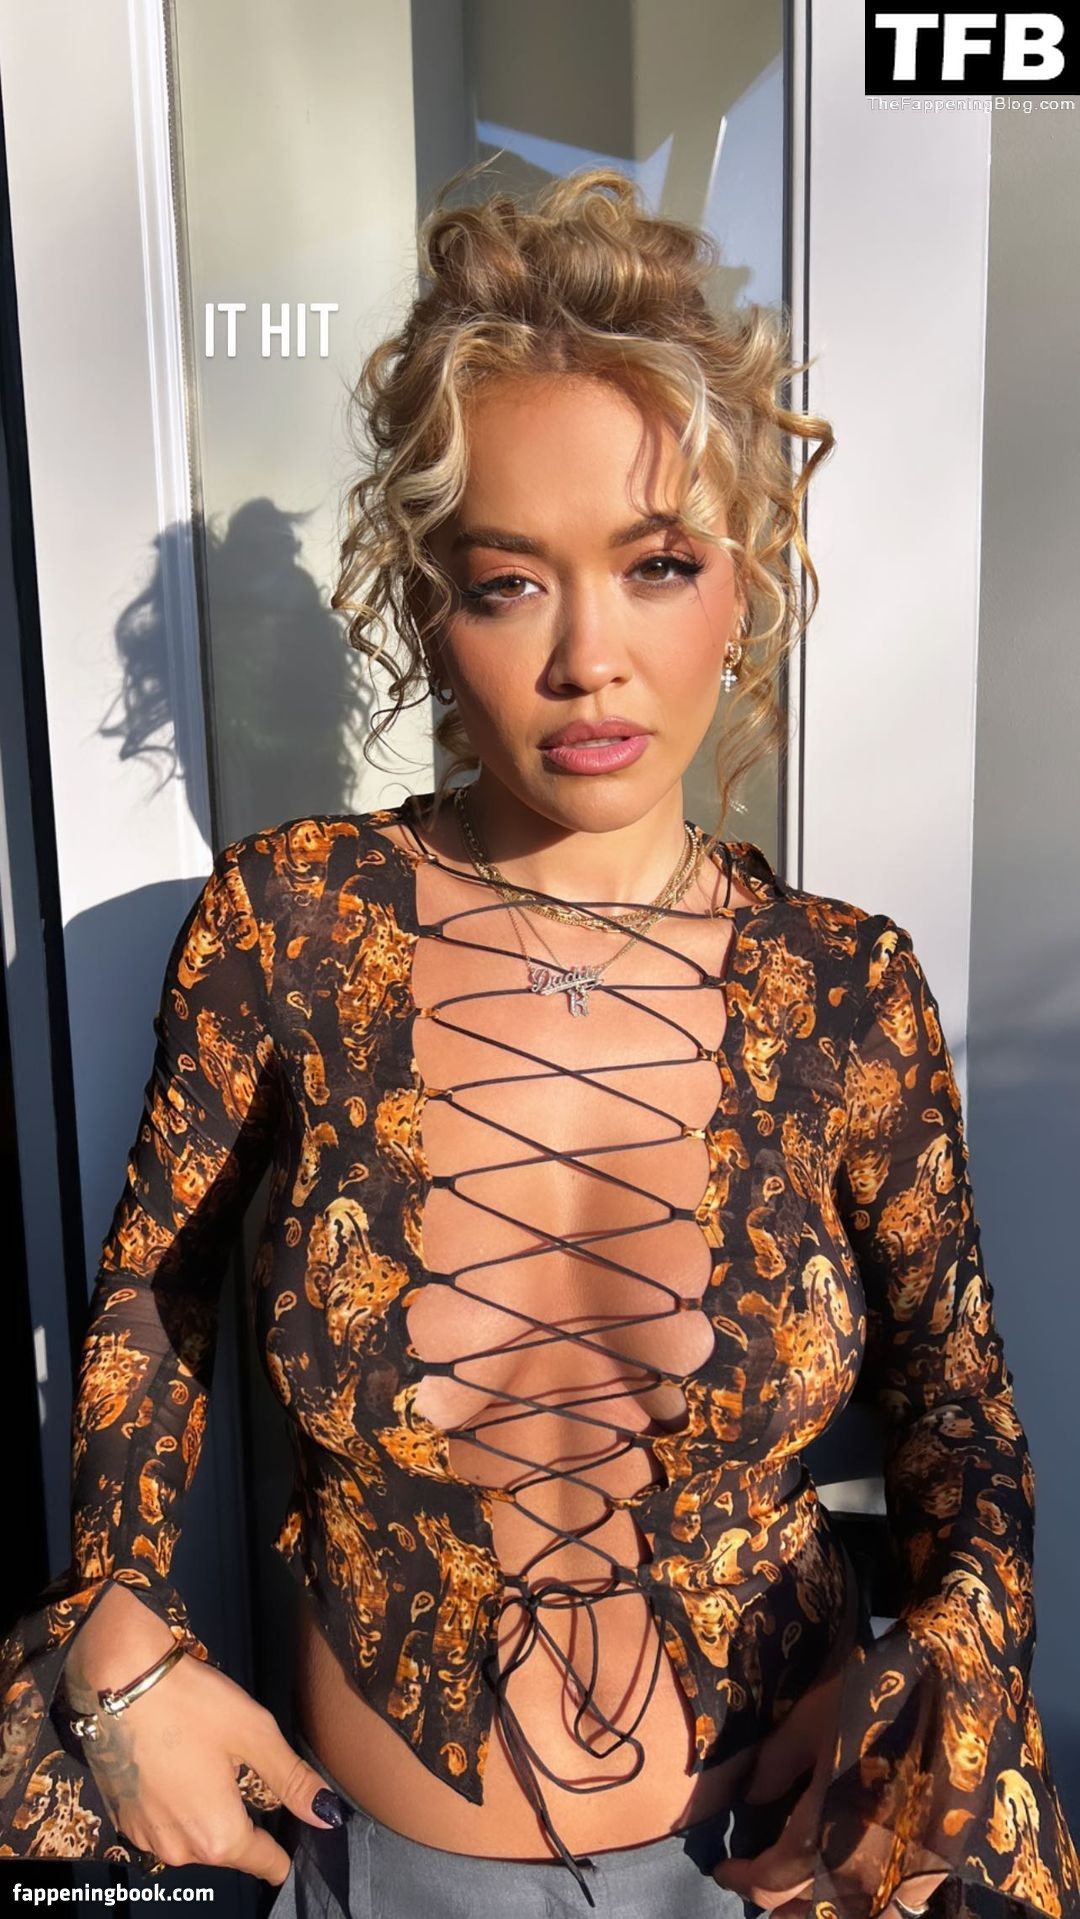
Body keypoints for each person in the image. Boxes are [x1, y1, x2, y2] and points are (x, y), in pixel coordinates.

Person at [0, 165, 1076, 1919]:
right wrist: (117, 1622)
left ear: (744, 585)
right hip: (377, 1870)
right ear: (431, 603)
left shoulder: (843, 990)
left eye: (657, 567)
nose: (590, 658)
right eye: (511, 581)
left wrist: (943, 1658)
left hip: (782, 1875)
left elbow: (961, 1413)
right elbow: (151, 1299)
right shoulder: (295, 927)